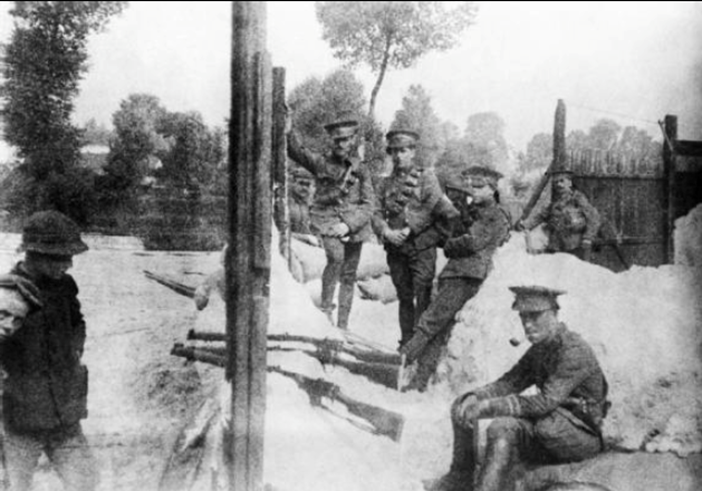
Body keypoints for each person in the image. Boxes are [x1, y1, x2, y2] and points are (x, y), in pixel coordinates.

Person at [428, 286, 609, 491]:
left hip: (579, 435)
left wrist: (487, 407)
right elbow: (510, 382)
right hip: (549, 426)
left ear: (553, 314)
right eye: (524, 317)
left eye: (535, 316)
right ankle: (462, 476)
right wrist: (474, 397)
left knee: (545, 426)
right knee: (498, 425)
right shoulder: (540, 349)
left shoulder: (573, 350)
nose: (528, 324)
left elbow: (544, 402)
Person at [0, 210, 98, 491]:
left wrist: (73, 351)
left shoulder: (65, 287)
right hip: (19, 420)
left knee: (85, 481)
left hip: (64, 417)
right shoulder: (9, 293)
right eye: (60, 257)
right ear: (34, 254)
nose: (68, 264)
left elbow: (77, 322)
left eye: (70, 257)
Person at [399, 166, 511, 391]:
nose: (474, 191)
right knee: (438, 329)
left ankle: (398, 361)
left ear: (492, 190)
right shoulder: (476, 213)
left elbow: (471, 242)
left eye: (480, 187)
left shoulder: (494, 215)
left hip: (466, 274)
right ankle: (419, 381)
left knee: (430, 321)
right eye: (472, 186)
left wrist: (450, 245)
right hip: (457, 273)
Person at [286, 113, 375, 329]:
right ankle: (326, 311)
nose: (341, 144)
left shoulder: (361, 170)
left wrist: (349, 224)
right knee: (335, 257)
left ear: (353, 140)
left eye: (345, 139)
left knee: (349, 276)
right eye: (337, 140)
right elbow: (298, 152)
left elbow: (369, 204)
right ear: (331, 141)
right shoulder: (322, 163)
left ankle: (343, 325)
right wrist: (289, 130)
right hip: (326, 220)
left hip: (354, 226)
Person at [372, 129, 458, 348]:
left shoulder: (427, 178)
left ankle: (422, 345)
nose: (399, 156)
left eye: (404, 151)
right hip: (396, 249)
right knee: (404, 297)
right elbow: (375, 211)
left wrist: (410, 229)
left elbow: (434, 207)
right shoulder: (384, 183)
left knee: (423, 294)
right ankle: (406, 343)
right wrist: (386, 232)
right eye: (395, 152)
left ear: (413, 152)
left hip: (421, 247)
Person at [517, 166, 601, 262]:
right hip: (556, 246)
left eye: (561, 181)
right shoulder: (555, 203)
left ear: (569, 183)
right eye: (556, 182)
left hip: (575, 246)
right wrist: (526, 225)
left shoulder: (578, 198)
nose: (558, 185)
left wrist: (588, 237)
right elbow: (541, 216)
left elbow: (594, 217)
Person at [288, 165, 319, 247]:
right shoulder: (285, 202)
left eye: (307, 185)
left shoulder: (306, 204)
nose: (304, 188)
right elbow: (278, 233)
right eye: (301, 183)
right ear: (293, 182)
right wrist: (305, 238)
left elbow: (307, 230)